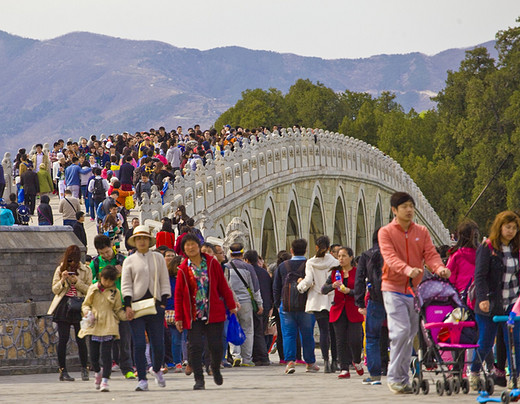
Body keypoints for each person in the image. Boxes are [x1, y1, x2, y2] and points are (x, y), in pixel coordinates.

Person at [379, 192, 450, 394]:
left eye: (411, 206)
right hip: (392, 289)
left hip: (415, 290)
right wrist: (407, 269)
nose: (409, 210)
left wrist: (439, 268)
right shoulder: (386, 232)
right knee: (400, 332)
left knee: (409, 335)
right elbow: (390, 257)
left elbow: (430, 254)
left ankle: (402, 379)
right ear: (394, 210)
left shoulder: (421, 231)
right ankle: (394, 377)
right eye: (404, 206)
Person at [174, 233, 237, 390]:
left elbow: (223, 285)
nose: (190, 247)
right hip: (193, 314)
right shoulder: (183, 268)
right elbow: (179, 294)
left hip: (213, 311)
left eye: (192, 244)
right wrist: (178, 317)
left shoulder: (211, 263)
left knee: (216, 345)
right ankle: (199, 379)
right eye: (186, 245)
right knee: (195, 347)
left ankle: (215, 368)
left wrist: (231, 304)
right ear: (183, 249)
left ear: (198, 246)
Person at [470, 211, 520, 390]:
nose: (511, 231)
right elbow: (480, 276)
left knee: (515, 340)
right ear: (499, 227)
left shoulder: (516, 248)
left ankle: (516, 377)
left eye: (514, 228)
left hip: (513, 303)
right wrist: (482, 298)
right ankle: (475, 371)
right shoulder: (488, 247)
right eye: (508, 227)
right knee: (485, 342)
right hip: (490, 304)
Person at [122, 225, 171, 391]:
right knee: (140, 343)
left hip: (155, 304)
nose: (141, 241)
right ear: (134, 241)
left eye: (144, 238)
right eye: (138, 238)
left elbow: (164, 280)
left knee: (158, 343)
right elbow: (126, 284)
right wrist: (127, 305)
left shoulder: (158, 258)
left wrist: (163, 302)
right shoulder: (129, 260)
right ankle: (142, 378)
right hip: (136, 306)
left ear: (149, 241)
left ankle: (156, 368)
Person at [91, 235, 135, 380]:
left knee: (124, 340)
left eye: (107, 252)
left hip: (121, 305)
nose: (105, 255)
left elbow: (132, 279)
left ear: (112, 246)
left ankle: (127, 369)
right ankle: (106, 370)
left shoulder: (123, 260)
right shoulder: (96, 263)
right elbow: (91, 283)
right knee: (106, 342)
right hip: (104, 307)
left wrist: (122, 272)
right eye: (102, 253)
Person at [273, 238, 319, 374]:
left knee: (288, 335)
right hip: (306, 305)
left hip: (286, 305)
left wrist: (278, 304)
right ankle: (310, 363)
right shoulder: (309, 265)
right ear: (306, 250)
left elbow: (276, 287)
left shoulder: (282, 266)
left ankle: (290, 362)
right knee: (307, 334)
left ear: (291, 250)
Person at [78, 265, 127, 392]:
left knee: (106, 355)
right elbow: (86, 304)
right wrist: (88, 313)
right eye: (106, 280)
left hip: (109, 324)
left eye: (111, 281)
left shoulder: (115, 292)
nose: (108, 283)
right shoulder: (93, 289)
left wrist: (126, 316)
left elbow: (117, 309)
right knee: (93, 356)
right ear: (101, 277)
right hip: (94, 324)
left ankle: (105, 380)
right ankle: (98, 372)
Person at [47, 245, 92, 382]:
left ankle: (85, 368)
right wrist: (63, 280)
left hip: (79, 305)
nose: (73, 263)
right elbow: (55, 289)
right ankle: (63, 370)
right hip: (64, 305)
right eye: (70, 260)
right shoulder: (60, 269)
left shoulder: (86, 270)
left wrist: (77, 282)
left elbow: (90, 289)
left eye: (75, 260)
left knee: (81, 339)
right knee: (63, 339)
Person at [296, 235, 339, 373]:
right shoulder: (334, 262)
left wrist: (299, 286)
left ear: (316, 247)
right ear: (328, 248)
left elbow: (308, 281)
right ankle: (334, 362)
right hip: (332, 300)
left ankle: (326, 361)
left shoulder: (310, 262)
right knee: (334, 332)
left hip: (317, 300)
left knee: (323, 331)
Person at [321, 247, 364, 379]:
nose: (341, 258)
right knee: (340, 340)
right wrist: (332, 286)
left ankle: (356, 360)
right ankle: (344, 368)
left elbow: (361, 291)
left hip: (353, 309)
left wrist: (349, 292)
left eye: (344, 256)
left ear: (351, 257)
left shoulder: (358, 273)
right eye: (339, 256)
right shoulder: (335, 273)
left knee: (355, 339)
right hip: (338, 310)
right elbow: (323, 289)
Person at [355, 229, 388, 384]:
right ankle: (405, 366)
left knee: (373, 337)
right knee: (399, 336)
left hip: (375, 300)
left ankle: (375, 375)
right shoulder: (393, 253)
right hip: (395, 298)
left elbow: (359, 280)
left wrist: (360, 302)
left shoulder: (366, 255)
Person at [225, 242, 263, 367]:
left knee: (233, 327)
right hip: (246, 302)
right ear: (242, 253)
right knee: (247, 329)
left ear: (230, 253)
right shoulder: (248, 267)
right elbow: (255, 288)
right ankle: (247, 359)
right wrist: (259, 303)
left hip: (231, 302)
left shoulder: (226, 267)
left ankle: (236, 356)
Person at [244, 249, 273, 366]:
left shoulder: (248, 271)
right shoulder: (264, 272)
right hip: (266, 305)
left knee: (257, 331)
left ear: (246, 260)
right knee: (260, 331)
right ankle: (259, 355)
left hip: (256, 305)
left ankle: (262, 356)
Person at [165, 253, 186, 373]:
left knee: (189, 338)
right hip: (172, 311)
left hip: (187, 311)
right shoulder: (169, 279)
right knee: (176, 339)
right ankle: (178, 362)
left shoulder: (188, 277)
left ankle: (190, 361)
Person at [446, 219, 480, 293]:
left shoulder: (457, 255)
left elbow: (450, 277)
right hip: (478, 292)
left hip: (461, 292)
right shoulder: (482, 254)